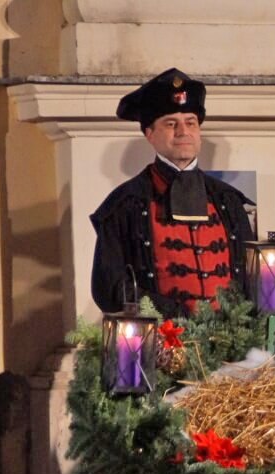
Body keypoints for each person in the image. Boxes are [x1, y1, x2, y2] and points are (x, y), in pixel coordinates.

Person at [91, 68, 255, 318]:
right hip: (160, 344)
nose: (183, 132)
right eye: (170, 124)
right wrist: (172, 313)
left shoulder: (228, 200)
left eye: (190, 123)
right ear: (149, 134)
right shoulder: (125, 204)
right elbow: (109, 289)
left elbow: (252, 276)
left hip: (230, 346)